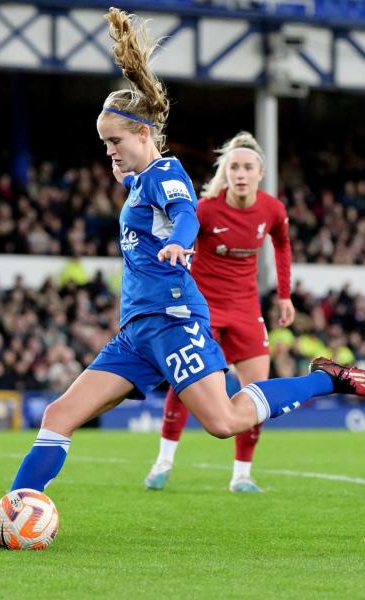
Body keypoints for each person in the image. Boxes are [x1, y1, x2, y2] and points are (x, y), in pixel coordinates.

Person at [0, 8, 365, 548]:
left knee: (224, 420)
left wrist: (181, 239)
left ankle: (328, 379)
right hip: (136, 331)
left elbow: (186, 212)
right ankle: (4, 517)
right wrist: (128, 181)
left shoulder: (167, 173)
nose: (109, 151)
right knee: (60, 413)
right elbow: (148, 204)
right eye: (105, 145)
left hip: (174, 320)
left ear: (143, 133)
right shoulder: (140, 179)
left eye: (114, 142)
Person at [144, 132, 294, 494]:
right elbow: (180, 241)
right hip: (203, 308)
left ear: (260, 173)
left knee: (258, 393)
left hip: (246, 309)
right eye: (234, 167)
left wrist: (285, 296)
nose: (240, 174)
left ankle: (241, 475)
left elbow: (283, 245)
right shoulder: (206, 209)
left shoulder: (272, 210)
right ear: (225, 172)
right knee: (186, 384)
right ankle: (164, 460)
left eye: (247, 167)